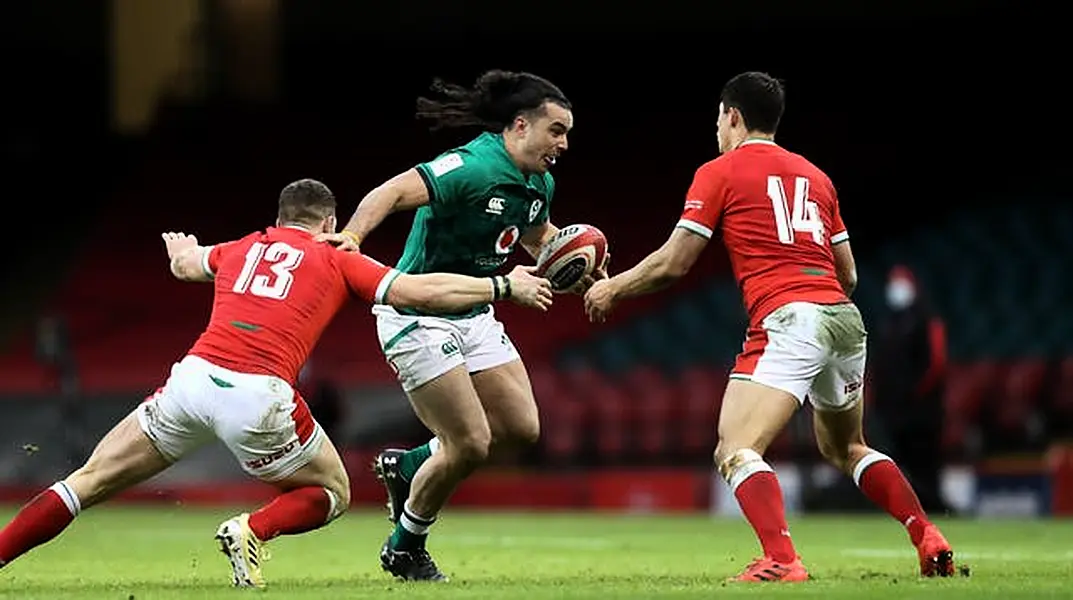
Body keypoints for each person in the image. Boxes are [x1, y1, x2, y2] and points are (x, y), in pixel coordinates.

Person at [0, 179, 553, 588]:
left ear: (281, 216)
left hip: (192, 381)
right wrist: (501, 285)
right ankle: (252, 530)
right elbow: (418, 295)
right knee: (330, 493)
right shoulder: (336, 257)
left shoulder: (243, 246)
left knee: (86, 481)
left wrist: (178, 251)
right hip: (258, 396)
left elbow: (189, 265)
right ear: (331, 223)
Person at [584, 72, 955, 582]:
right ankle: (927, 536)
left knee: (735, 448)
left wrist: (612, 288)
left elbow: (674, 263)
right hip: (844, 319)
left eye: (718, 117)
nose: (717, 127)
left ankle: (782, 559)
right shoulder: (816, 176)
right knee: (847, 447)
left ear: (731, 115)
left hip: (789, 317)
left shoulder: (720, 171)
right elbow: (848, 273)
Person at [318, 69, 604, 581]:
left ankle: (409, 466)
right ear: (520, 126)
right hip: (418, 315)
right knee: (470, 443)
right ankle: (405, 546)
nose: (563, 143)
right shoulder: (470, 166)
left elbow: (535, 235)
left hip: (473, 313)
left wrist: (573, 265)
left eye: (567, 134)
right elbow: (393, 191)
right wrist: (354, 236)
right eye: (556, 130)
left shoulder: (540, 180)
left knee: (520, 429)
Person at [871, 265, 951, 513]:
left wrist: (916, 395)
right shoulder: (887, 323)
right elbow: (878, 365)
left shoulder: (927, 319)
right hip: (892, 411)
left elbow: (936, 364)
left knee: (925, 464)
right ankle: (905, 511)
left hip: (921, 411)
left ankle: (935, 510)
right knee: (896, 463)